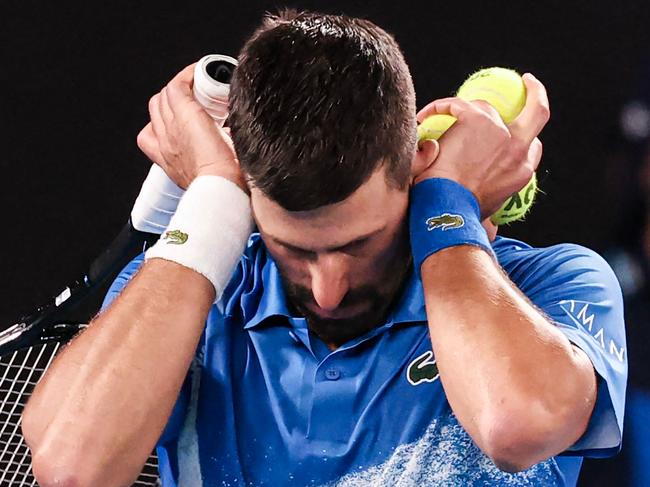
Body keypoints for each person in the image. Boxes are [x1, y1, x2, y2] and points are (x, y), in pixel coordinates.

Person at [22, 9, 626, 487]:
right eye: (296, 249)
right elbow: (74, 468)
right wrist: (212, 204)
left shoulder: (550, 285)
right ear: (248, 201)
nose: (329, 288)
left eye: (357, 244)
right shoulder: (186, 295)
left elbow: (517, 426)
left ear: (417, 160)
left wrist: (447, 204)